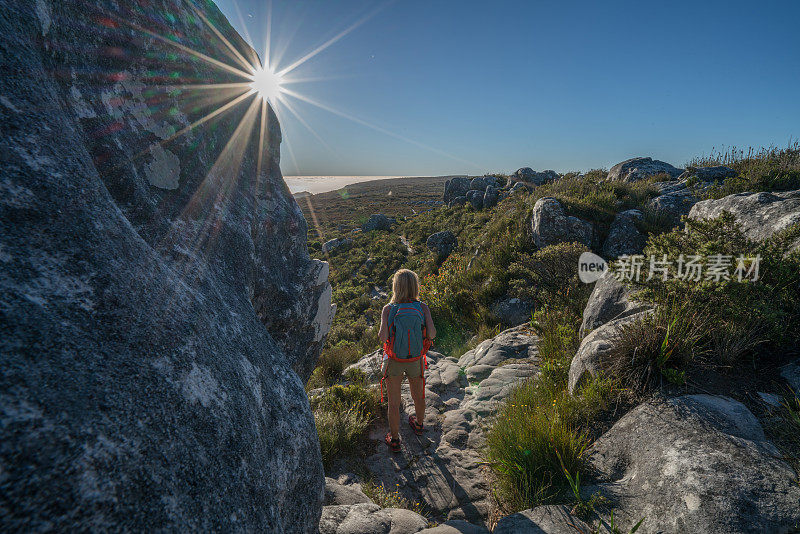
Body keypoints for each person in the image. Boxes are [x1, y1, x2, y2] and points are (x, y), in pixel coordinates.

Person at [379, 269, 436, 453]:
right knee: (418, 396)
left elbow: (383, 337)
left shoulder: (388, 309)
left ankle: (395, 440)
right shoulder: (423, 307)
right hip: (415, 360)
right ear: (415, 286)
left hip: (394, 360)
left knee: (394, 403)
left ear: (396, 287)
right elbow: (433, 334)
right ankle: (419, 426)